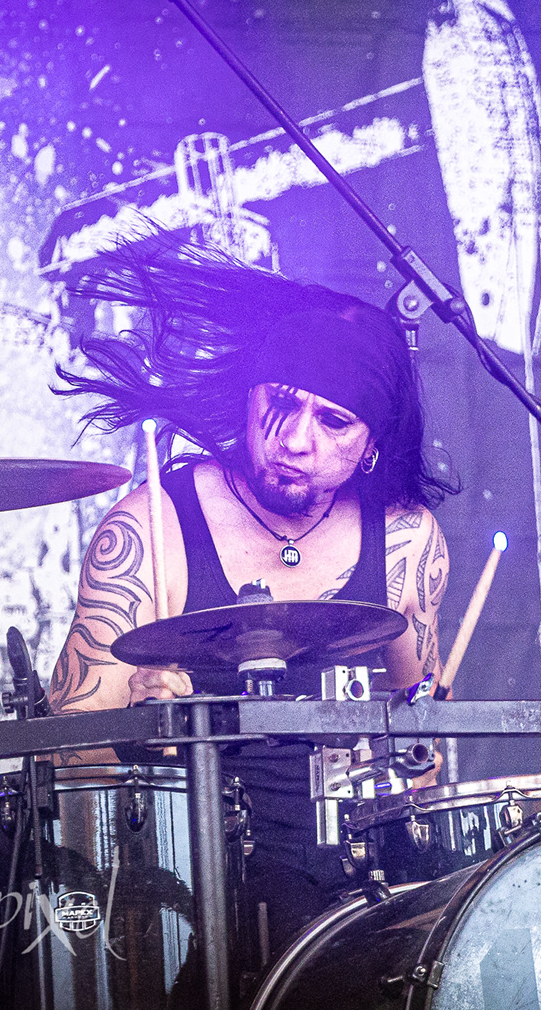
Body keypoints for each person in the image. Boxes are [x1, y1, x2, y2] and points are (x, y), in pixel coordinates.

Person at [45, 245, 452, 949]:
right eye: (282, 404)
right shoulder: (152, 527)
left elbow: (422, 734)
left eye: (333, 423)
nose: (294, 440)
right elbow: (67, 745)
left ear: (372, 445)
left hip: (359, 894)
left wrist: (412, 770)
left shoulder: (406, 540)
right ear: (250, 396)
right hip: (190, 887)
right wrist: (140, 736)